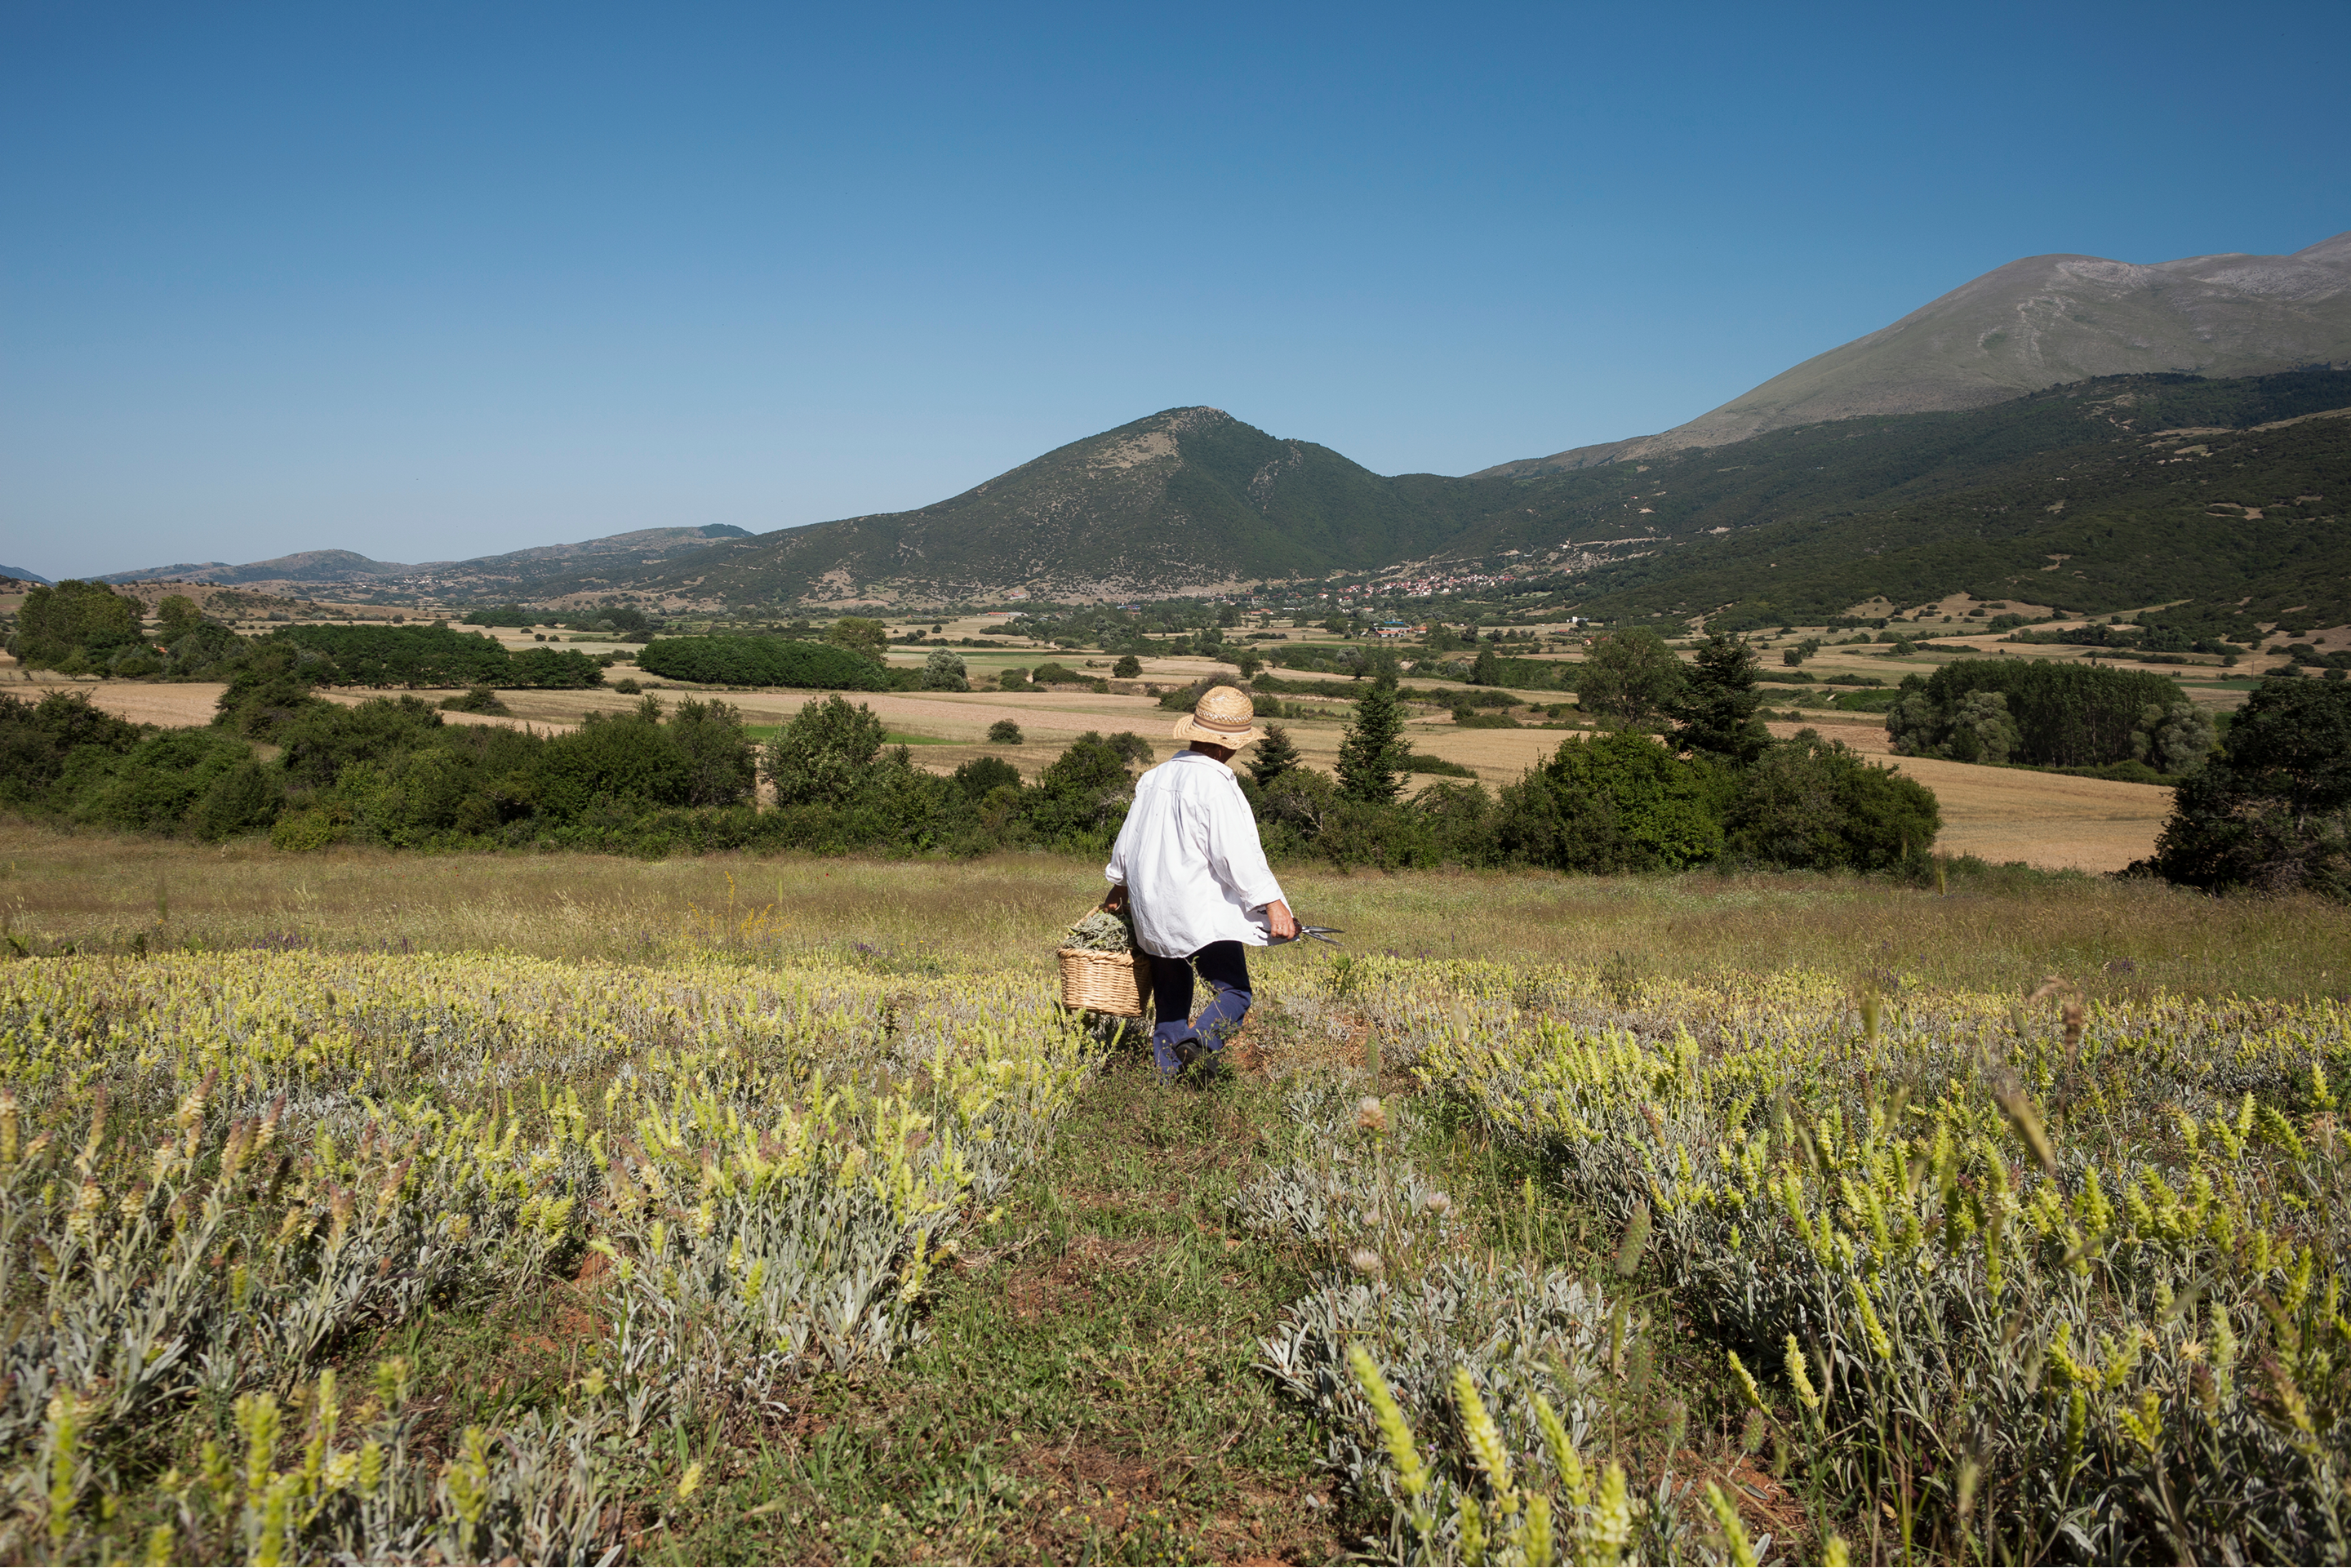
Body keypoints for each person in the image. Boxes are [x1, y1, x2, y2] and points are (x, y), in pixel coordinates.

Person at [1102, 685, 1298, 1077]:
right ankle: (1200, 1044)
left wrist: (1118, 887)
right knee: (1235, 992)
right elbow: (1235, 854)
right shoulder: (1216, 785)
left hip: (1152, 910)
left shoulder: (1153, 778)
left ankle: (1168, 1080)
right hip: (1198, 911)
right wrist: (1273, 903)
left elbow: (1129, 842)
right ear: (1228, 747)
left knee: (1171, 1000)